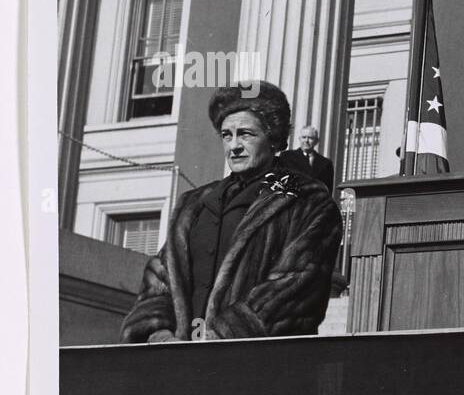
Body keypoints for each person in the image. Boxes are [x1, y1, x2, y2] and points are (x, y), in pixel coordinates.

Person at [121, 83, 343, 342]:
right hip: (180, 363)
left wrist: (221, 336)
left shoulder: (306, 200)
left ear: (273, 139)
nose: (234, 145)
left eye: (245, 134)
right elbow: (160, 276)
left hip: (257, 363)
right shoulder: (193, 204)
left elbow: (298, 284)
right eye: (227, 135)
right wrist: (157, 333)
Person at [279, 123, 335, 192]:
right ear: (299, 139)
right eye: (304, 137)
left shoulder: (326, 164)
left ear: (316, 141)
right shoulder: (287, 157)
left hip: (315, 200)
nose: (306, 141)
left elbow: (328, 190)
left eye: (310, 138)